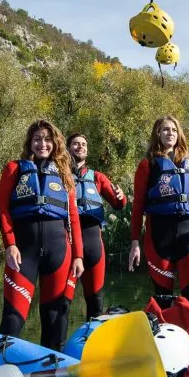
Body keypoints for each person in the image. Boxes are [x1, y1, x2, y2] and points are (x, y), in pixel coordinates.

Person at [0, 119, 85, 350]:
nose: (42, 144)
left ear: (54, 143)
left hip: (59, 251)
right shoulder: (13, 169)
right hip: (23, 251)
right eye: (37, 139)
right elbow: (4, 210)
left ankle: (51, 372)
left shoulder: (65, 173)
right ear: (30, 142)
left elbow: (73, 217)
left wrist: (78, 256)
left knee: (55, 317)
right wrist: (9, 244)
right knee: (13, 318)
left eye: (47, 139)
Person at [129, 116, 189, 308]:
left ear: (178, 134)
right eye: (165, 130)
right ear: (157, 133)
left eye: (173, 130)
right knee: (163, 298)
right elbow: (138, 206)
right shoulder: (147, 165)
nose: (170, 133)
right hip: (159, 236)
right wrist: (134, 243)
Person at [67, 132, 127, 319]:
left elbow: (119, 204)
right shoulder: (60, 175)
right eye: (76, 144)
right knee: (62, 302)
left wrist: (121, 196)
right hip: (67, 239)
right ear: (68, 149)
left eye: (84, 144)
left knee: (95, 301)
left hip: (93, 239)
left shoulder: (98, 177)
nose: (80, 147)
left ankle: (92, 344)